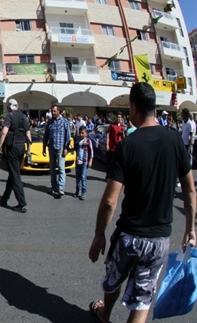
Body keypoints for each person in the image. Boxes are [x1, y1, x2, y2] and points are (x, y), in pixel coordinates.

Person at [88, 82, 196, 323]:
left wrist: (99, 234)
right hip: (159, 239)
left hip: (129, 236)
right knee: (142, 301)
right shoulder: (175, 140)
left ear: (133, 107)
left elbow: (109, 202)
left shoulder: (127, 146)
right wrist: (190, 229)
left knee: (113, 278)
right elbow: (190, 191)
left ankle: (105, 312)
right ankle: (106, 311)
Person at [0, 99, 32, 213]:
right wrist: (29, 149)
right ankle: (4, 198)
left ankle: (22, 204)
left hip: (13, 147)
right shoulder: (24, 117)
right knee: (13, 173)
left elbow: (4, 132)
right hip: (22, 147)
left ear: (10, 107)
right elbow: (28, 133)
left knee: (15, 176)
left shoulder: (10, 116)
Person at [42, 105, 71, 198]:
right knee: (52, 169)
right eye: (52, 111)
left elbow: (68, 135)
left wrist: (66, 148)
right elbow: (46, 135)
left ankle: (61, 189)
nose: (53, 113)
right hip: (51, 148)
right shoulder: (49, 122)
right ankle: (54, 187)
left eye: (54, 111)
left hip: (61, 148)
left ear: (58, 111)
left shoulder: (64, 121)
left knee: (61, 168)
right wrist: (44, 147)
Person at [74, 126, 93, 200]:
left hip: (84, 162)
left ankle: (84, 192)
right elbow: (75, 148)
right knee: (78, 177)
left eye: (83, 133)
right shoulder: (77, 141)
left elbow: (91, 151)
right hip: (78, 161)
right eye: (80, 133)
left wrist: (90, 160)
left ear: (86, 134)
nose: (81, 134)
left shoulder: (88, 141)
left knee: (83, 177)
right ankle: (78, 191)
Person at [105, 112, 124, 180]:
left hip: (119, 148)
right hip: (112, 147)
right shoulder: (112, 125)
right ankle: (108, 176)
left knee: (118, 164)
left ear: (121, 118)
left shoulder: (122, 126)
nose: (118, 118)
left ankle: (114, 177)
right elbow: (107, 134)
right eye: (117, 117)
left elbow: (124, 137)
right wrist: (107, 144)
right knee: (110, 163)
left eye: (119, 117)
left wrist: (123, 131)